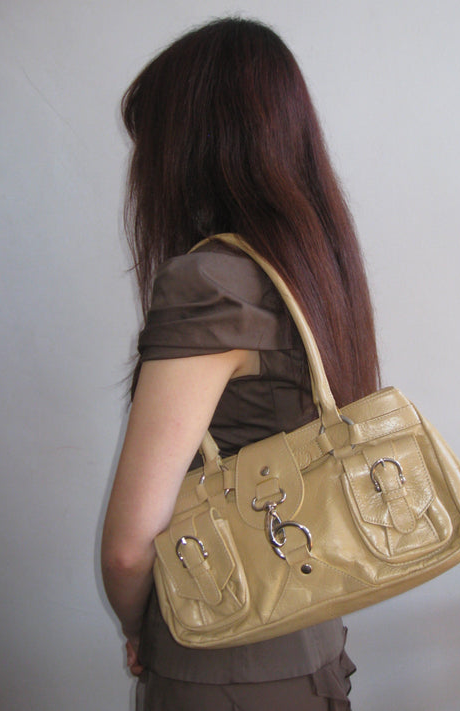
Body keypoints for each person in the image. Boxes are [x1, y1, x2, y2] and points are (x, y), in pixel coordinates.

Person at [101, 17, 379, 711]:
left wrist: (138, 625)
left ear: (195, 145)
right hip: (314, 637)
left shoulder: (212, 283)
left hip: (223, 661)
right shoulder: (317, 270)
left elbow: (130, 547)